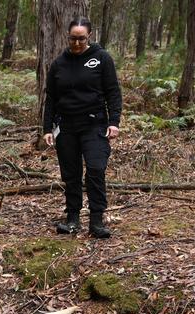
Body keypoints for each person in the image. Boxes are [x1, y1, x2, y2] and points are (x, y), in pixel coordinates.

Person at [42, 17, 122, 239]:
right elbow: (51, 99)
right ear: (67, 37)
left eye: (81, 39)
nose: (76, 43)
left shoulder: (101, 58)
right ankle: (73, 219)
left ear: (89, 36)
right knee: (71, 173)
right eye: (73, 39)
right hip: (66, 125)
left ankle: (96, 220)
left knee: (96, 169)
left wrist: (114, 122)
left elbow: (113, 92)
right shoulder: (59, 64)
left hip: (94, 124)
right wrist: (47, 128)